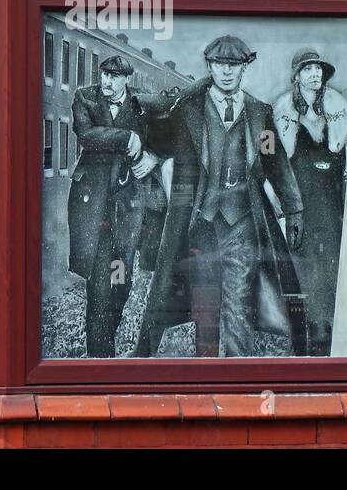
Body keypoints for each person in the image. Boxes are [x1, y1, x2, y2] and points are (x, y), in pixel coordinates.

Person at [136, 35, 306, 357]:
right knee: (205, 307)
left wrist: (293, 206)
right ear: (209, 67)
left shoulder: (259, 114)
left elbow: (275, 163)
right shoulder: (187, 111)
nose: (226, 72)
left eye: (234, 65)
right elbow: (157, 138)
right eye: (219, 65)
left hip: (242, 225)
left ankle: (238, 382)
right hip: (200, 224)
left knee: (239, 305)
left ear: (244, 69)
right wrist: (186, 93)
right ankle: (206, 380)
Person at [67, 54, 165, 357]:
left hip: (128, 210)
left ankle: (105, 345)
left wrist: (153, 157)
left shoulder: (141, 105)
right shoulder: (85, 99)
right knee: (98, 286)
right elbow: (87, 135)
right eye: (104, 75)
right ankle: (100, 357)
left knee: (121, 282)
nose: (107, 82)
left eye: (114, 77)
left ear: (126, 79)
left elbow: (167, 135)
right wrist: (128, 138)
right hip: (94, 207)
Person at [272, 49, 347, 356]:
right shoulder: (282, 112)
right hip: (299, 210)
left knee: (328, 277)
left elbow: (343, 163)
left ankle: (326, 344)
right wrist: (285, 207)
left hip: (330, 209)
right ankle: (303, 347)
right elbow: (274, 164)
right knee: (301, 276)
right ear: (297, 76)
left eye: (318, 69)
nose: (315, 74)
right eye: (308, 69)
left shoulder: (337, 112)